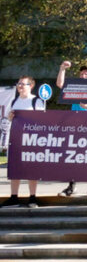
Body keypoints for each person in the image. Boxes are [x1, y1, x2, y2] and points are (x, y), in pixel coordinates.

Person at [55, 61, 87, 198]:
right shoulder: (75, 87)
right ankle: (71, 186)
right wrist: (62, 69)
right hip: (74, 125)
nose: (84, 75)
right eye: (82, 73)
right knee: (73, 157)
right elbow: (60, 85)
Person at [2, 76, 44, 209]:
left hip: (32, 140)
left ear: (30, 86)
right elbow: (9, 119)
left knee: (31, 169)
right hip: (16, 139)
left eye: (23, 84)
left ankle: (33, 197)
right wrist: (10, 117)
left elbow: (42, 121)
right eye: (18, 83)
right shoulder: (15, 100)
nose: (19, 86)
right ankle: (14, 197)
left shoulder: (36, 101)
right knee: (15, 169)